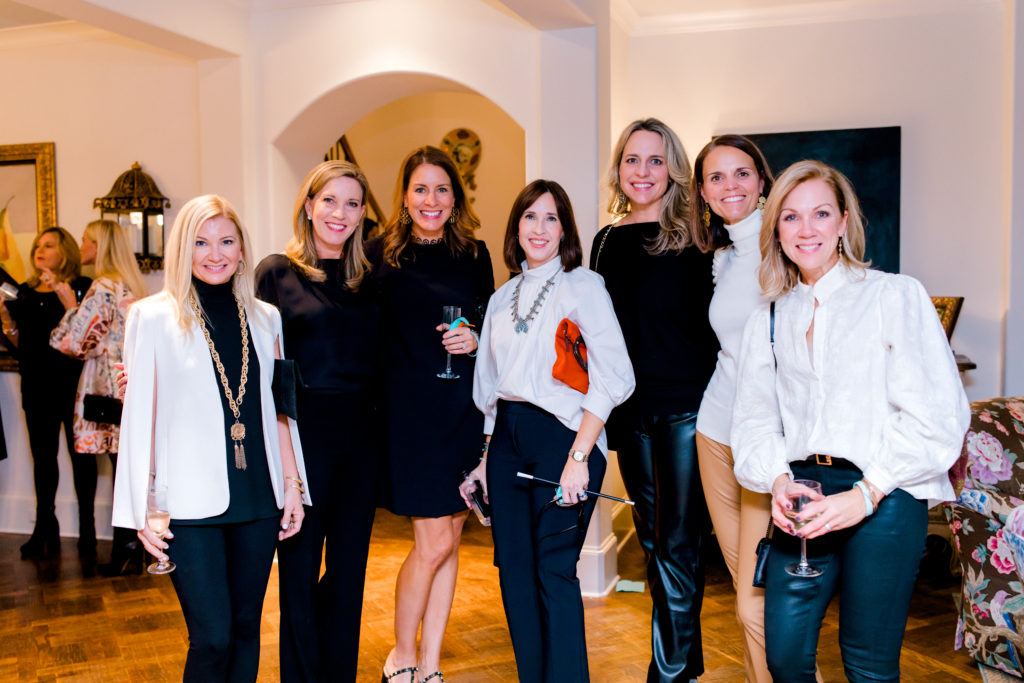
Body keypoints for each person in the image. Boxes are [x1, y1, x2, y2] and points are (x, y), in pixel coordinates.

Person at [731, 160, 970, 682]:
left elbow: (938, 417)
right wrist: (779, 481)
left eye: (820, 213)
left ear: (843, 222)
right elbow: (753, 420)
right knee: (784, 656)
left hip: (887, 491)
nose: (806, 229)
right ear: (776, 230)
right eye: (791, 217)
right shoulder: (767, 318)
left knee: (867, 662)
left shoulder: (894, 296)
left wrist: (865, 494)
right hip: (804, 494)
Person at [112, 194, 309, 682]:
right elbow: (141, 418)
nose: (215, 254)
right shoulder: (152, 317)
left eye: (226, 241)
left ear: (242, 249)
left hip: (258, 498)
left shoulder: (266, 318)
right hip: (187, 504)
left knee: (245, 630)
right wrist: (143, 505)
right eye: (200, 242)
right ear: (183, 249)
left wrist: (293, 485)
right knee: (212, 637)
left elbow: (280, 409)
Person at [463, 179, 634, 682]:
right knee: (515, 575)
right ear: (516, 227)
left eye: (551, 218)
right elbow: (490, 388)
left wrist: (579, 457)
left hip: (565, 438)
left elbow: (616, 375)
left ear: (565, 230)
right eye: (530, 216)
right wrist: (485, 461)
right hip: (507, 441)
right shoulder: (501, 297)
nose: (539, 228)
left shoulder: (584, 286)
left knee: (554, 571)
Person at [589, 118, 719, 682]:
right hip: (629, 410)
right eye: (632, 159)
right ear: (619, 168)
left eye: (656, 160)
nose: (643, 171)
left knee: (677, 541)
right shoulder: (604, 242)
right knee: (652, 539)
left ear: (674, 170)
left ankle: (666, 675)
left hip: (688, 408)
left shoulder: (700, 237)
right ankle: (685, 664)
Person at [367, 146, 494, 683]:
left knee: (452, 538)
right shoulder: (376, 256)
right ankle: (401, 655)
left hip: (462, 411)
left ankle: (432, 664)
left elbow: (492, 326)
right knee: (433, 542)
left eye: (442, 189)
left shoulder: (475, 254)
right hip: (409, 419)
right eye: (420, 189)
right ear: (404, 196)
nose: (431, 200)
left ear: (456, 197)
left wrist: (476, 337)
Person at [255, 160, 380, 683]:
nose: (339, 213)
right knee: (300, 576)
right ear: (308, 205)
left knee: (348, 577)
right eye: (329, 200)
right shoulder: (275, 273)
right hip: (301, 440)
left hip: (362, 442)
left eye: (352, 203)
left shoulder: (371, 279)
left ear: (362, 213)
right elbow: (257, 364)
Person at [690, 135, 775, 683]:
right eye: (716, 178)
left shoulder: (788, 245)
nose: (730, 186)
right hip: (715, 430)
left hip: (767, 442)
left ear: (762, 180)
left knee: (755, 601)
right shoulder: (722, 259)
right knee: (745, 578)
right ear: (702, 192)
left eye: (741, 173)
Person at [49, 219, 148, 576]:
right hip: (128, 386)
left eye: (86, 240)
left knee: (118, 470)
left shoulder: (103, 286)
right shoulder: (131, 285)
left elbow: (73, 343)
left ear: (100, 246)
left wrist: (69, 307)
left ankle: (125, 551)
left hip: (103, 389)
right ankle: (135, 548)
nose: (81, 246)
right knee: (128, 469)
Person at [0, 227, 91, 559]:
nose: (40, 250)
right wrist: (7, 321)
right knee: (43, 460)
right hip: (36, 387)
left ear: (64, 251)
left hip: (73, 386)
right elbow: (19, 346)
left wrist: (69, 305)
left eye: (48, 245)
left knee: (82, 460)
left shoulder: (81, 287)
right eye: (38, 245)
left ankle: (88, 530)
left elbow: (86, 337)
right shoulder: (23, 293)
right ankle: (44, 527)